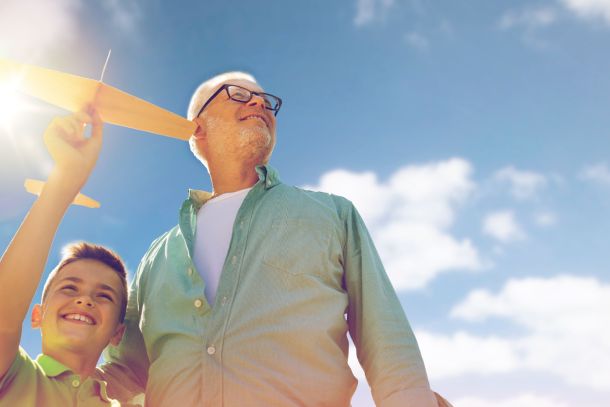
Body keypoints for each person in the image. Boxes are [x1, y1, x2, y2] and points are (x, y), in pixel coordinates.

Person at [103, 72, 450, 406]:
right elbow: (125, 371)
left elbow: (386, 341)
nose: (259, 102)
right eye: (237, 93)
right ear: (197, 128)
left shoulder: (333, 215)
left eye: (266, 101)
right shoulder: (156, 256)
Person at [0, 109, 136, 406]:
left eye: (104, 296)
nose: (84, 300)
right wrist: (65, 178)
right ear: (37, 315)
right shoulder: (12, 376)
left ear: (117, 333)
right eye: (69, 288)